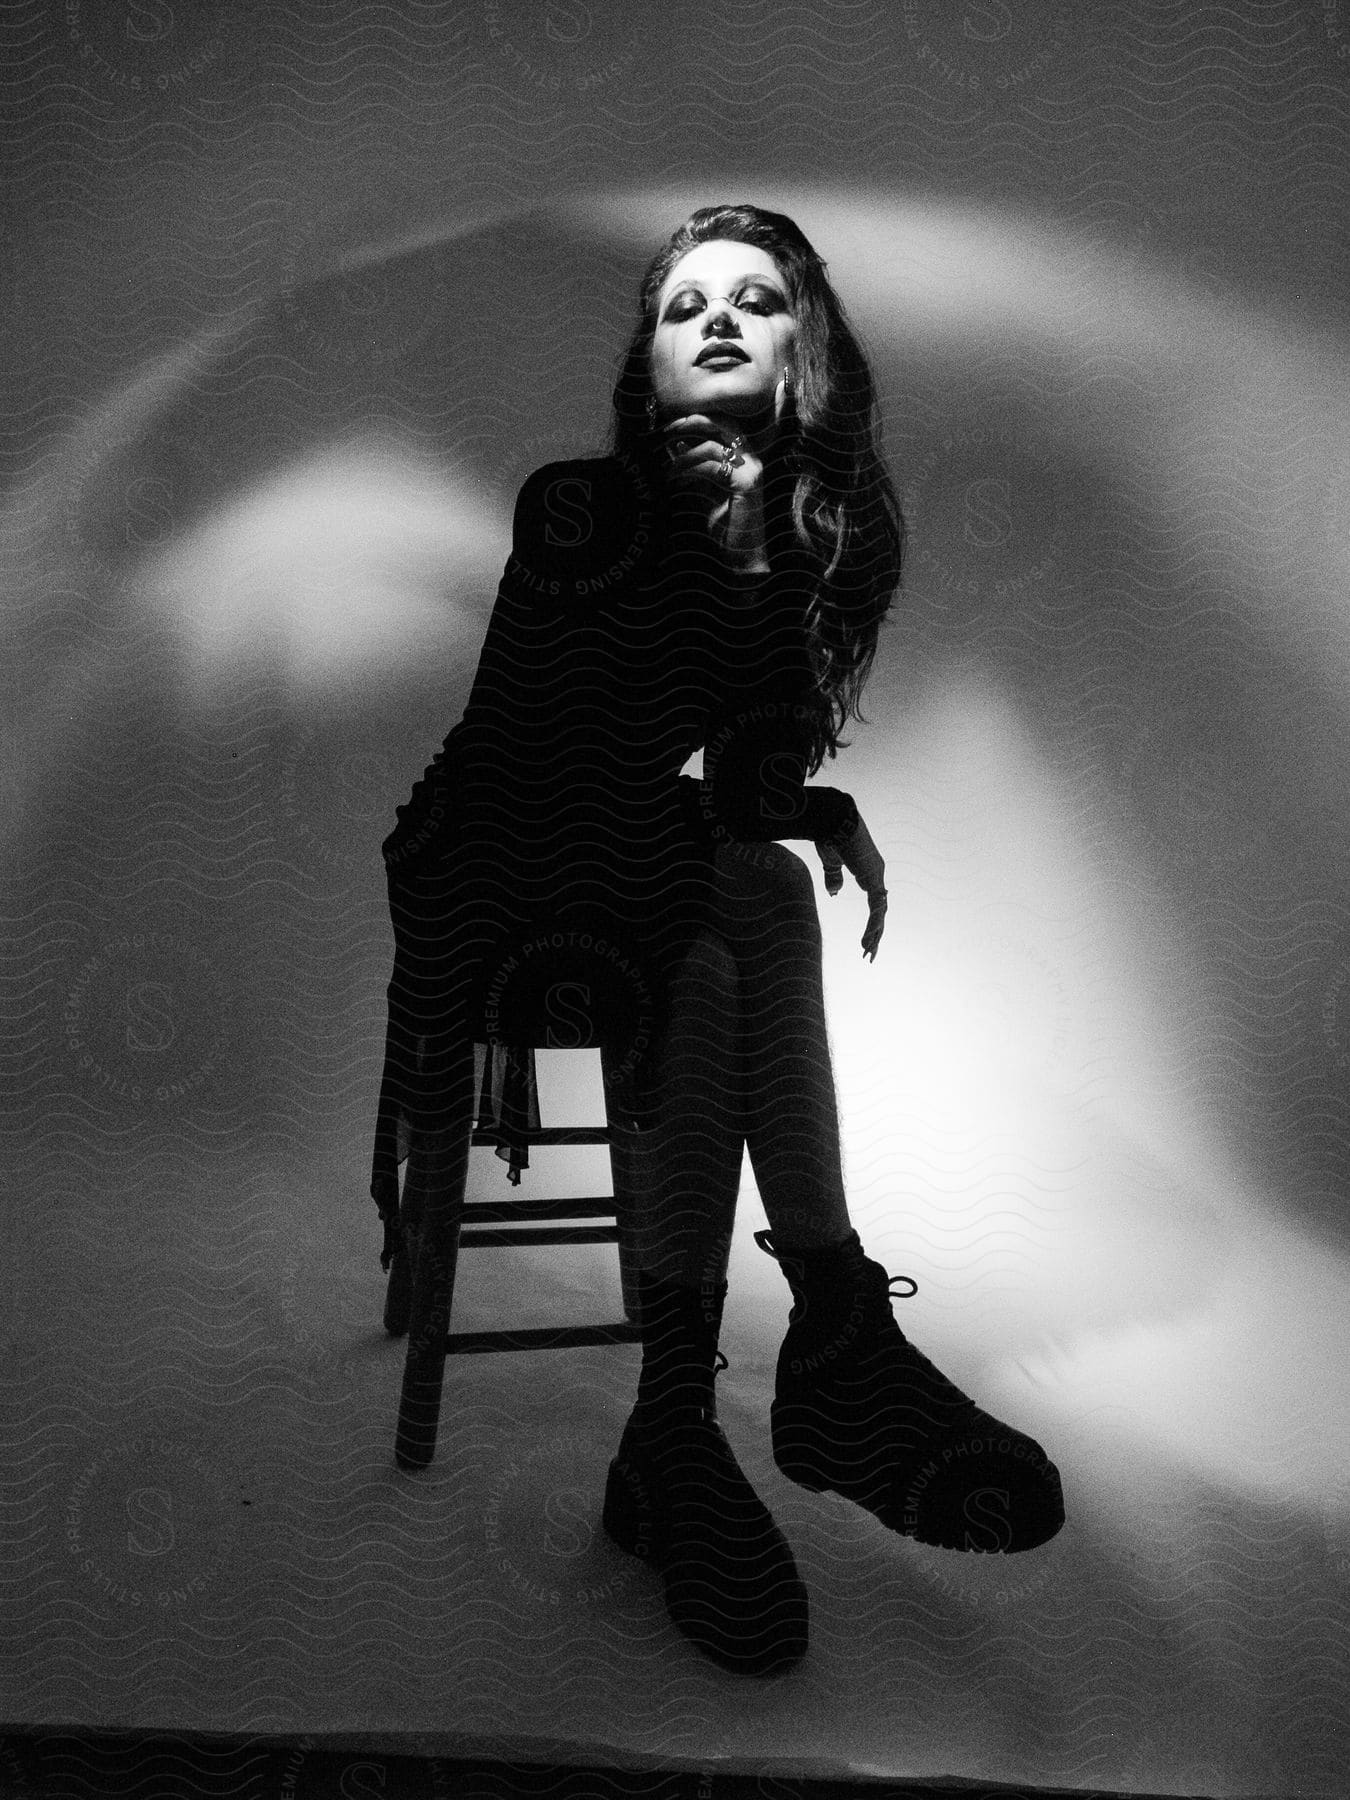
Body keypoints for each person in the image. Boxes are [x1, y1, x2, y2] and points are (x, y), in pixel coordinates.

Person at [374, 204, 1064, 1679]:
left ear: (803, 350)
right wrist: (704, 571)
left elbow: (737, 780)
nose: (717, 320)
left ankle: (725, 1392)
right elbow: (529, 752)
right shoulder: (576, 509)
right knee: (704, 920)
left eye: (756, 300)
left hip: (626, 857)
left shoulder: (775, 543)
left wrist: (811, 791)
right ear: (646, 360)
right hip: (486, 858)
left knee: (754, 884)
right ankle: (759, 1382)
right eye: (682, 304)